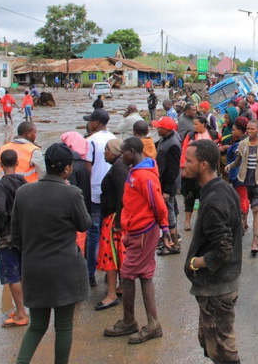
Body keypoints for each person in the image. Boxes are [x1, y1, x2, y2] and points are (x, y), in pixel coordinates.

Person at [11, 143, 92, 363]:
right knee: (64, 326)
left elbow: (15, 235)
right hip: (65, 269)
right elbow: (85, 224)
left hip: (34, 268)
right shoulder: (71, 193)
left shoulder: (24, 192)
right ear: (67, 169)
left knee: (37, 326)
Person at [104, 137, 173, 344]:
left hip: (143, 230)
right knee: (143, 274)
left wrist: (165, 226)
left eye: (123, 152)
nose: (120, 156)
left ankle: (133, 321)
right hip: (137, 229)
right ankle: (147, 323)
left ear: (132, 152)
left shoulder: (144, 176)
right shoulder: (136, 172)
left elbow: (158, 203)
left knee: (128, 273)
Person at [182, 140, 243, 364]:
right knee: (209, 341)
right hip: (218, 285)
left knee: (223, 350)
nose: (184, 165)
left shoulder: (215, 200)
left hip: (217, 288)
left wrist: (196, 262)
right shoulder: (220, 188)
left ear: (204, 164)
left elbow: (223, 250)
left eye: (189, 161)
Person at [0, 149, 29, 328]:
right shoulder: (23, 182)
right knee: (21, 272)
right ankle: (21, 308)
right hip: (23, 234)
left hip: (7, 236)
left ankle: (21, 313)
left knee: (11, 275)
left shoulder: (0, 186)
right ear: (16, 163)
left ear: (0, 165)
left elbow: (0, 211)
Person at [227, 120, 258, 256]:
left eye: (252, 129)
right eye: (248, 129)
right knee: (253, 206)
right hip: (247, 180)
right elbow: (238, 161)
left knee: (256, 208)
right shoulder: (243, 144)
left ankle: (254, 242)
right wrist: (230, 166)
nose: (250, 131)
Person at [95, 139, 129, 311]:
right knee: (118, 255)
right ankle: (121, 286)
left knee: (111, 256)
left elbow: (123, 193)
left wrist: (118, 219)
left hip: (114, 218)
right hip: (116, 215)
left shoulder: (118, 168)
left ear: (114, 152)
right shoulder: (119, 166)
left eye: (106, 150)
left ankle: (111, 294)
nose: (104, 153)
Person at [84, 109, 117, 287]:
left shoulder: (90, 141)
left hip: (95, 191)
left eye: (90, 121)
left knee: (94, 234)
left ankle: (90, 274)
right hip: (110, 192)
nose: (88, 124)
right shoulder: (113, 138)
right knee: (110, 232)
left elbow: (87, 167)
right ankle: (109, 271)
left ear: (96, 123)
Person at [152, 116, 182, 253]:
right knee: (170, 209)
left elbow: (173, 170)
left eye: (159, 127)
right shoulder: (167, 137)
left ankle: (174, 244)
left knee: (168, 211)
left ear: (166, 129)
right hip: (163, 182)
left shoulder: (173, 144)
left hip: (167, 184)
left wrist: (167, 190)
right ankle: (168, 238)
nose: (157, 128)